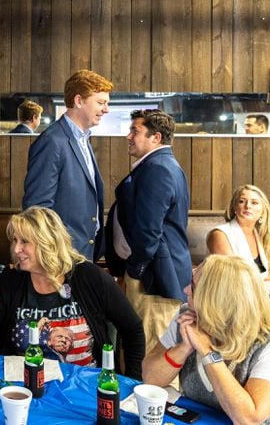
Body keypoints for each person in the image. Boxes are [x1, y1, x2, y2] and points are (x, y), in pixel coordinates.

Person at [0, 207, 145, 379]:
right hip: (25, 387)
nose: (17, 249)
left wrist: (133, 383)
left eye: (24, 241)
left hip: (85, 387)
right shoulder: (11, 281)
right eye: (15, 240)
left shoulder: (89, 277)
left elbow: (133, 330)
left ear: (48, 242)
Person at [143, 255, 270, 424]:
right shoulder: (188, 317)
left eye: (193, 286)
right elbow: (151, 379)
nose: (185, 290)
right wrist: (184, 347)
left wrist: (207, 351)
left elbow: (248, 419)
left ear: (216, 300)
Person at [105, 109, 191, 357]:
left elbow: (149, 231)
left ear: (156, 138)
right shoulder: (155, 165)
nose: (128, 136)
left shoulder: (159, 169)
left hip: (154, 278)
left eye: (135, 131)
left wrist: (136, 270)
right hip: (148, 273)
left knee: (150, 350)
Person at [22, 70, 113, 260]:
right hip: (62, 254)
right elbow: (37, 209)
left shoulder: (82, 138)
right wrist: (55, 254)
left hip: (84, 251)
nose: (106, 109)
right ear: (78, 101)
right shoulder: (52, 141)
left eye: (107, 103)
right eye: (101, 102)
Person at [207, 184, 270, 321]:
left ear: (263, 212)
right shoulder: (220, 234)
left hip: (258, 300)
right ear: (234, 207)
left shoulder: (261, 236)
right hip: (232, 303)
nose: (248, 206)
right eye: (242, 201)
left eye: (254, 203)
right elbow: (232, 280)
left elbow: (268, 278)